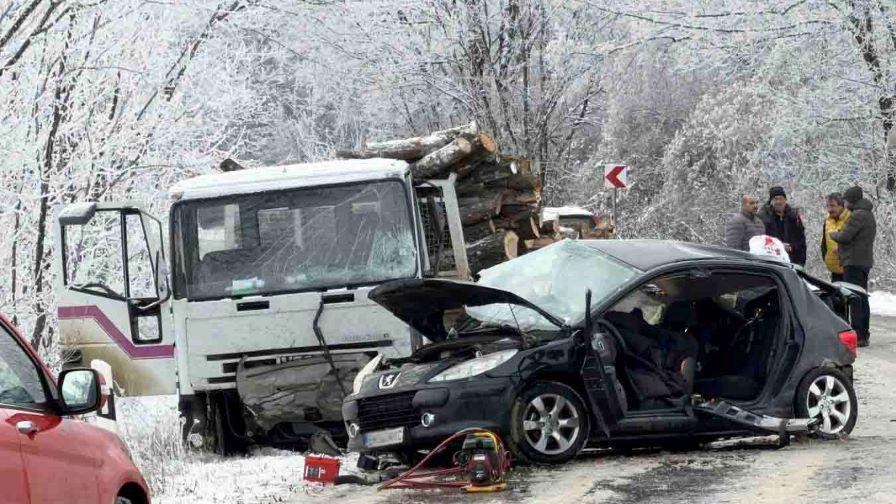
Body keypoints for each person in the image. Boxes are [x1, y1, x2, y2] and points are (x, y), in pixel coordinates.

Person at [830, 185, 876, 347]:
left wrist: (833, 234)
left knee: (855, 299)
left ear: (852, 200)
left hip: (854, 262)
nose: (845, 202)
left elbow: (845, 236)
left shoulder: (857, 215)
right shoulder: (868, 214)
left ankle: (858, 334)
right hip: (864, 262)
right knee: (862, 298)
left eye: (846, 199)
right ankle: (864, 333)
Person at [757, 186, 807, 265]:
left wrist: (793, 249)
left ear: (785, 200)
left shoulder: (793, 217)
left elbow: (801, 240)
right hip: (771, 263)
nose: (778, 202)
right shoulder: (763, 218)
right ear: (771, 201)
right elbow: (761, 241)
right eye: (775, 199)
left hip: (792, 261)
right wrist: (779, 247)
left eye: (781, 198)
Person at [821, 193, 850, 282]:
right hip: (835, 270)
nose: (829, 209)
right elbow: (824, 243)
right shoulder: (828, 220)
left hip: (851, 270)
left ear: (842, 206)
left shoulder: (852, 218)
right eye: (828, 206)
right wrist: (826, 258)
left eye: (833, 206)